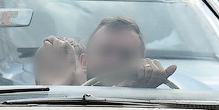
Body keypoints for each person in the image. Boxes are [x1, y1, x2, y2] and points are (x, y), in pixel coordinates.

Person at [39, 17, 176, 88]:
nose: (113, 62)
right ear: (84, 61)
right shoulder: (61, 91)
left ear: (142, 63)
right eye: (105, 52)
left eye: (126, 55)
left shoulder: (154, 105)